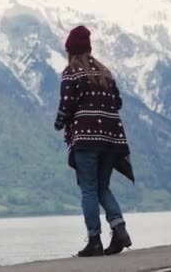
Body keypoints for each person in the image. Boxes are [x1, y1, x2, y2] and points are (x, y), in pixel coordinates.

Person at [54, 25, 135, 257]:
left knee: (88, 188)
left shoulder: (71, 72)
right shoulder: (105, 72)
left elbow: (66, 105)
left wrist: (59, 123)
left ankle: (94, 240)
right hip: (112, 139)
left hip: (86, 139)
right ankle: (119, 230)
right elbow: (117, 103)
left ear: (70, 50)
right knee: (102, 187)